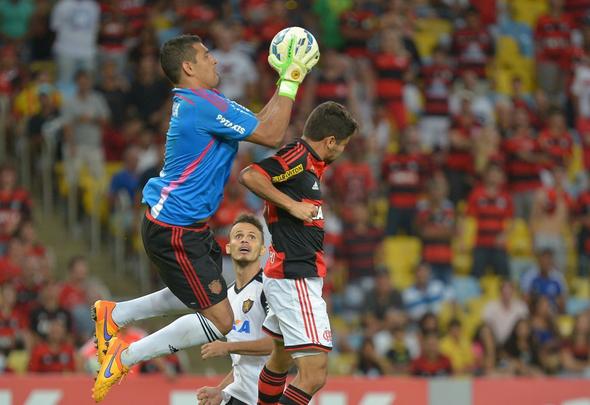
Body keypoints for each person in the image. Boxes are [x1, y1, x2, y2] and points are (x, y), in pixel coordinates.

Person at [91, 32, 320, 402]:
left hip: (183, 226)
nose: (214, 61)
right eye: (206, 55)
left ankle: (115, 315)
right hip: (175, 229)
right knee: (221, 321)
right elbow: (273, 133)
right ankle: (125, 355)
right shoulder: (203, 106)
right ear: (188, 66)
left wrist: (283, 80)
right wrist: (291, 81)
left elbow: (262, 125)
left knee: (199, 293)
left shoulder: (203, 101)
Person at [240, 101, 358, 405]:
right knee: (314, 374)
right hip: (295, 276)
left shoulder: (311, 163)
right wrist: (291, 205)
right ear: (330, 141)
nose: (343, 150)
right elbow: (251, 175)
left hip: (288, 273)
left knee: (280, 358)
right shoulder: (299, 156)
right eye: (342, 144)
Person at [197, 214, 275, 405]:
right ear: (228, 247)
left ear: (262, 249)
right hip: (239, 395)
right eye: (238, 236)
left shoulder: (269, 288)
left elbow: (277, 345)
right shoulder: (227, 296)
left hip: (264, 396)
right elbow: (242, 363)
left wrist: (227, 347)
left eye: (252, 237)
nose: (245, 240)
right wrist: (220, 391)